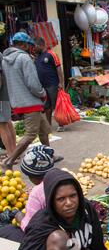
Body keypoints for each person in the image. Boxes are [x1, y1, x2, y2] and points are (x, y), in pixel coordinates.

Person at [12, 168, 109, 250]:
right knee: (59, 238)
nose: (69, 203)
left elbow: (97, 245)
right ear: (51, 201)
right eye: (61, 199)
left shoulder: (85, 210)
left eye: (72, 196)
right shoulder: (41, 223)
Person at [1, 32, 63, 170]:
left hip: (18, 100)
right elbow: (32, 83)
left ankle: (49, 155)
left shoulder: (5, 59)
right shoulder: (24, 58)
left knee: (44, 129)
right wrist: (42, 93)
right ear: (23, 45)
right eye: (29, 45)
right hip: (31, 101)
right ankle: (9, 160)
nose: (31, 48)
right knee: (30, 134)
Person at [34, 37, 65, 132]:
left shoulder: (51, 54)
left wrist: (61, 82)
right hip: (43, 86)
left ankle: (61, 124)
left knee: (56, 105)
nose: (33, 48)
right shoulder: (38, 57)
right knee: (47, 107)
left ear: (40, 45)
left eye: (35, 46)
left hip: (53, 84)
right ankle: (48, 125)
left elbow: (59, 69)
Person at [0, 52, 16, 159]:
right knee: (8, 123)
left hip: (1, 96)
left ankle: (11, 155)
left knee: (2, 126)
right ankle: (14, 152)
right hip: (4, 95)